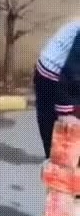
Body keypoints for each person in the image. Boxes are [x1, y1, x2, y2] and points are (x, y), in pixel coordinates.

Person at [34, 20, 80, 158]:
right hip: (53, 75)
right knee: (61, 146)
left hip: (69, 75)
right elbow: (72, 72)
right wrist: (67, 111)